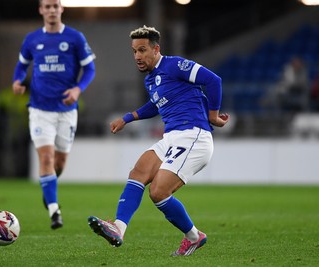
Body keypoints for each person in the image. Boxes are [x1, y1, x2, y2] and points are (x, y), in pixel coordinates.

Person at [87, 26, 229, 256]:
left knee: (158, 191)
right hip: (172, 137)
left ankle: (194, 237)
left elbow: (213, 80)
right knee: (138, 172)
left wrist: (213, 116)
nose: (137, 57)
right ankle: (118, 229)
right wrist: (127, 118)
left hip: (194, 136)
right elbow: (156, 104)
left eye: (142, 50)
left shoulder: (174, 65)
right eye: (134, 51)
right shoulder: (151, 80)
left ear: (156, 49)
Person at [12, 0, 96, 229]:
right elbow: (21, 66)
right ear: (41, 10)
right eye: (46, 6)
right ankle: (54, 210)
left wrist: (78, 89)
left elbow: (89, 68)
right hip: (39, 109)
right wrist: (17, 81)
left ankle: (48, 188)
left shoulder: (74, 38)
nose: (51, 10)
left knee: (59, 163)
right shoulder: (31, 40)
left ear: (61, 9)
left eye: (54, 6)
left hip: (66, 111)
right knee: (46, 158)